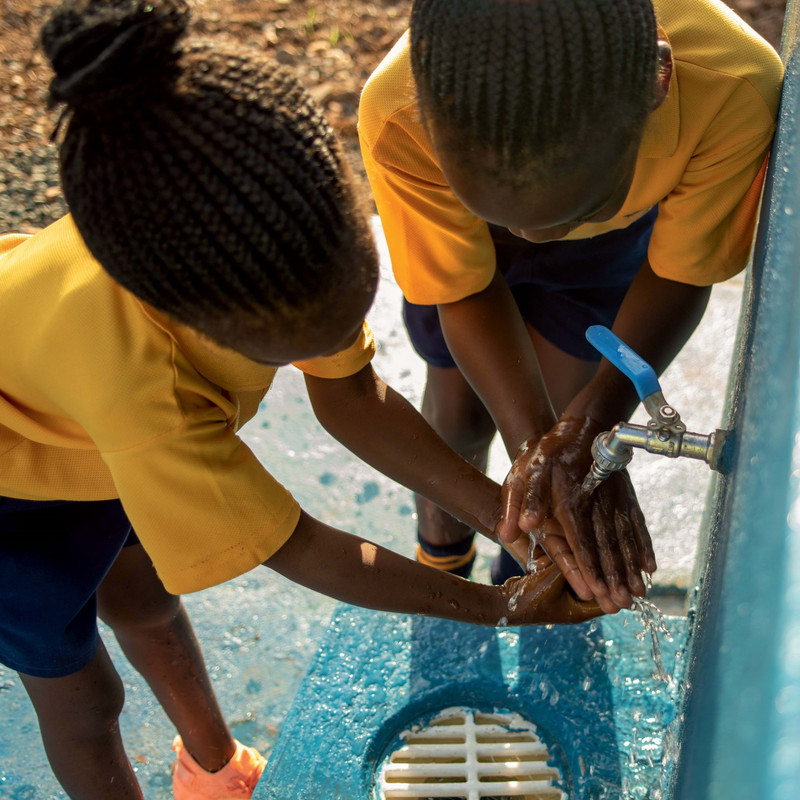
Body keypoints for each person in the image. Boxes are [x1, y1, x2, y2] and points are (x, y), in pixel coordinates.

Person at [0, 1, 604, 799]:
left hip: (75, 436)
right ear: (203, 324)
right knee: (83, 697)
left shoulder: (271, 245)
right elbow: (296, 545)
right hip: (14, 496)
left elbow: (350, 395)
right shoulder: (146, 393)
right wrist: (497, 607)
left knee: (147, 607)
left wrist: (510, 515)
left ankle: (213, 768)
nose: (336, 343)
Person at [358, 0, 784, 613]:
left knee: (568, 396)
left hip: (605, 252)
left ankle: (531, 575)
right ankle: (443, 558)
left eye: (573, 211)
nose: (537, 239)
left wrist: (584, 426)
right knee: (458, 413)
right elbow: (461, 288)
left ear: (658, 83)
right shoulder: (402, 113)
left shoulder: (730, 87)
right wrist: (539, 450)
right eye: (515, 219)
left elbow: (681, 271)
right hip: (467, 250)